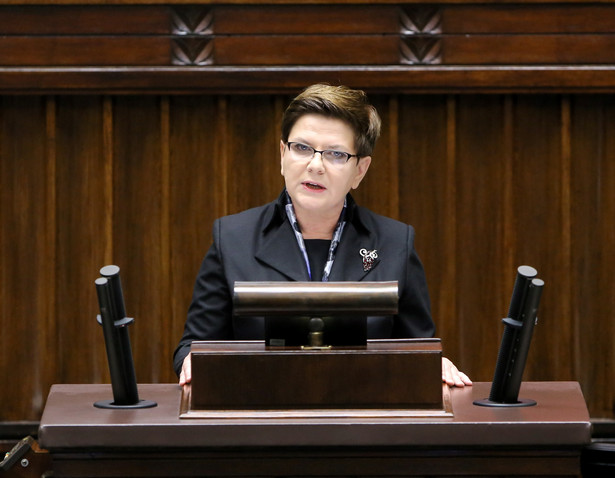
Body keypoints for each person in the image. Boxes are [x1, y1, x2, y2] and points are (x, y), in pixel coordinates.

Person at [174, 84, 472, 388]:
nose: (315, 166)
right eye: (302, 148)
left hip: (362, 421)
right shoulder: (232, 238)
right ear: (282, 154)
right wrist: (191, 361)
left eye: (335, 154)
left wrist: (435, 362)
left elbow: (418, 347)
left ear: (360, 170)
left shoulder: (394, 242)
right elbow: (193, 347)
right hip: (261, 416)